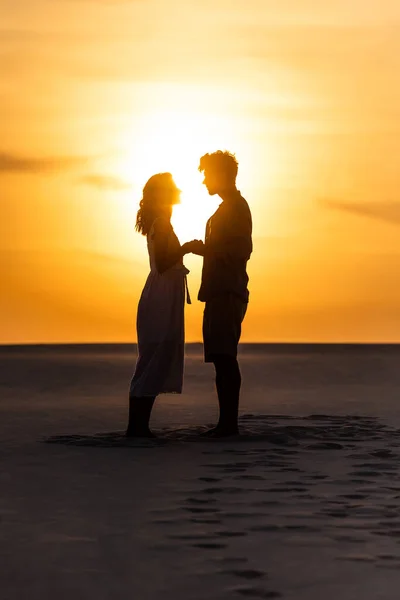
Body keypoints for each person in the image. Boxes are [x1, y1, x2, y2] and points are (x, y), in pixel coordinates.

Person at [126, 173, 199, 437]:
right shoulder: (161, 223)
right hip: (161, 296)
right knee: (153, 357)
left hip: (164, 295)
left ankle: (139, 426)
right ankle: (137, 427)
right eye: (172, 188)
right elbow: (163, 262)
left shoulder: (162, 222)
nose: (178, 190)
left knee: (155, 357)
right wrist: (187, 247)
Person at [190, 151, 253, 437]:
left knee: (226, 357)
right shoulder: (225, 209)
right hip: (218, 291)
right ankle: (226, 423)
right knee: (220, 357)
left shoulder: (237, 208)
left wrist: (205, 249)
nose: (203, 181)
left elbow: (241, 251)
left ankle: (229, 425)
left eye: (207, 174)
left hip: (228, 291)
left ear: (222, 175)